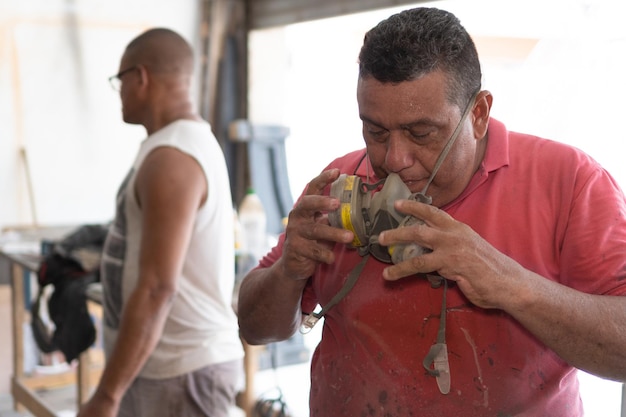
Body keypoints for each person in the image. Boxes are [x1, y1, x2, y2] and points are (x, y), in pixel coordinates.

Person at [237, 7, 626, 416]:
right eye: (375, 131)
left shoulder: (569, 182)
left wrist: (510, 284)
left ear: (478, 114)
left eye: (421, 133)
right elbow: (254, 328)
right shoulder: (340, 186)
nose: (395, 158)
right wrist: (289, 272)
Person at [77, 28, 244, 417]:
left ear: (142, 77)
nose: (118, 91)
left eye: (120, 80)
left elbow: (156, 288)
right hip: (170, 368)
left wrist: (107, 394)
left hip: (181, 373)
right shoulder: (177, 144)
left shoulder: (172, 156)